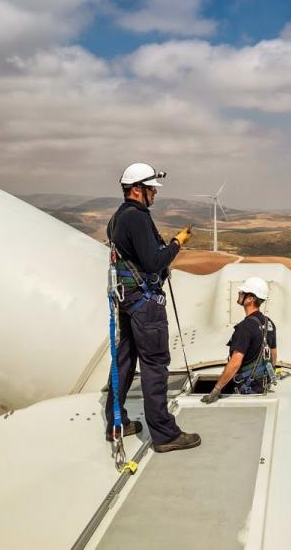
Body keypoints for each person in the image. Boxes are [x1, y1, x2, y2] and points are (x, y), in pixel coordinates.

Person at [105, 162, 201, 453]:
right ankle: (164, 433)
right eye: (150, 190)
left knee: (123, 361)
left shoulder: (117, 218)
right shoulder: (137, 217)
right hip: (146, 305)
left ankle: (115, 424)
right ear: (137, 190)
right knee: (155, 365)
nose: (154, 196)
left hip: (127, 301)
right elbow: (153, 262)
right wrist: (176, 243)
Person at [201, 277, 278, 403]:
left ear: (250, 298)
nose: (239, 294)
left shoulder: (245, 327)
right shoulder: (269, 322)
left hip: (246, 389)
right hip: (261, 387)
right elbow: (273, 355)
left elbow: (235, 362)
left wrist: (216, 390)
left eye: (242, 292)